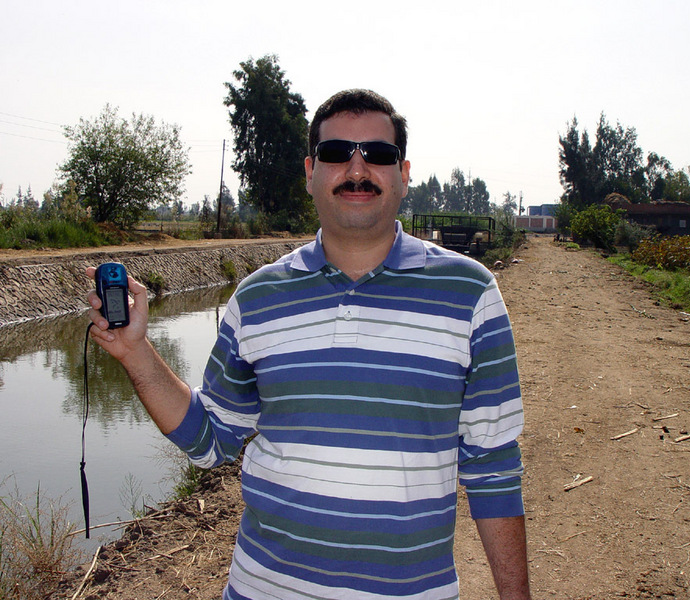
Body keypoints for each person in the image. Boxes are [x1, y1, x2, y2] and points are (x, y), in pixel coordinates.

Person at [87, 89, 532, 600]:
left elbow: (492, 467)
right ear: (310, 171)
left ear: (404, 175)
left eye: (379, 155)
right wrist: (135, 353)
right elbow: (211, 441)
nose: (358, 168)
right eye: (337, 153)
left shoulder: (470, 293)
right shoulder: (256, 297)